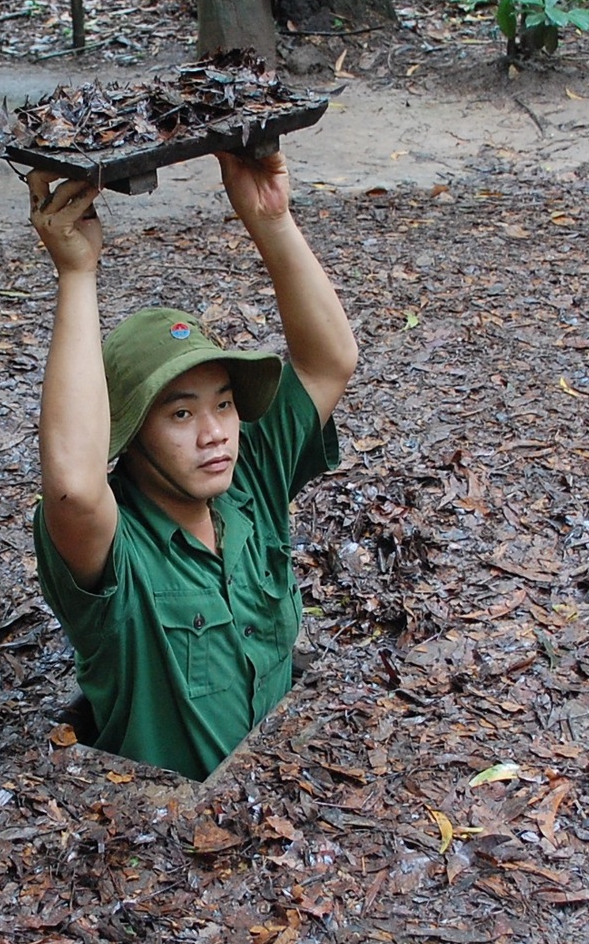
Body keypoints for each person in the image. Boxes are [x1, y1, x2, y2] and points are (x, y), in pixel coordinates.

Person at [28, 148, 358, 780]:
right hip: (179, 851)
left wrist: (271, 219)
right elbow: (72, 487)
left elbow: (328, 362)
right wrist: (77, 274)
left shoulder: (247, 483)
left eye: (226, 405)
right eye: (180, 415)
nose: (216, 435)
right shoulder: (113, 550)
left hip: (291, 806)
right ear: (128, 434)